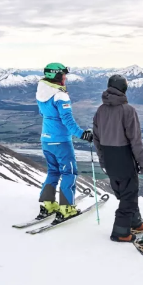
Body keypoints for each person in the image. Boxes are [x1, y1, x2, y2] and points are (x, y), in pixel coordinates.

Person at [92, 74, 143, 242]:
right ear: (124, 89)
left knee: (124, 191)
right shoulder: (128, 110)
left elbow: (96, 138)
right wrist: (142, 162)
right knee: (129, 194)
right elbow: (135, 140)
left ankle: (135, 221)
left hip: (109, 157)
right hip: (124, 156)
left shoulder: (100, 110)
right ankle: (120, 231)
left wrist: (103, 159)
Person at [36, 62, 93, 221]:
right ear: (56, 75)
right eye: (63, 74)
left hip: (46, 140)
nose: (65, 78)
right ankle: (66, 208)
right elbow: (67, 120)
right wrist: (82, 134)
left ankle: (47, 205)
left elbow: (43, 114)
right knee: (69, 173)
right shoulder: (60, 95)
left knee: (53, 171)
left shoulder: (41, 92)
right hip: (61, 142)